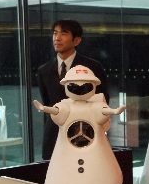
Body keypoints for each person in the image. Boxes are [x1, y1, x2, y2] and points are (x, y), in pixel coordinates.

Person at [37, 19, 108, 160]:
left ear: (76, 40)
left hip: (85, 132)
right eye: (55, 33)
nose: (57, 38)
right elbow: (48, 102)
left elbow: (102, 99)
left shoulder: (92, 67)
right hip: (54, 134)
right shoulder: (44, 70)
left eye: (63, 34)